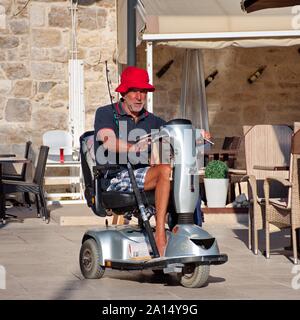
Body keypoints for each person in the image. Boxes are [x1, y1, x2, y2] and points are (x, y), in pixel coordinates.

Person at [94, 66, 210, 257]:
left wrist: (197, 136)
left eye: (143, 91)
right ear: (124, 92)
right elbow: (107, 140)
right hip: (116, 177)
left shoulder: (154, 121)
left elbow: (174, 138)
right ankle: (160, 235)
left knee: (183, 179)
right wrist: (132, 147)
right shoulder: (106, 113)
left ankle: (184, 229)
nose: (139, 97)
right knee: (164, 170)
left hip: (144, 175)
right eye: (134, 91)